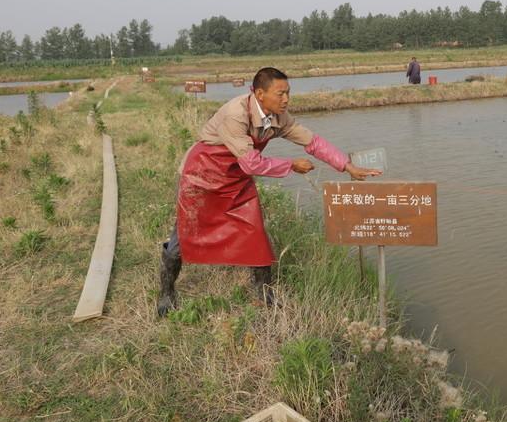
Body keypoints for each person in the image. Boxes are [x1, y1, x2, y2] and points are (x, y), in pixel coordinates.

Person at [158, 67, 380, 316]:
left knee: (254, 233)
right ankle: (166, 293)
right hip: (202, 176)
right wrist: (290, 165)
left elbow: (312, 142)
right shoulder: (236, 113)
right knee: (184, 235)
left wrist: (347, 166)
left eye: (288, 93)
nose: (286, 99)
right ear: (260, 94)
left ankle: (265, 296)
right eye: (280, 93)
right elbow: (252, 163)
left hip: (235, 178)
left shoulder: (278, 117)